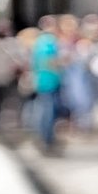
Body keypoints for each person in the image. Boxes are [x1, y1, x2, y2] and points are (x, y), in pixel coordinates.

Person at [31, 17, 63, 151]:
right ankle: (47, 138)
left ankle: (44, 137)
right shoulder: (50, 42)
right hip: (50, 80)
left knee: (43, 109)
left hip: (41, 79)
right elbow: (51, 61)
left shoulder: (38, 42)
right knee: (49, 111)